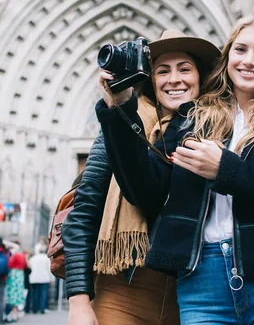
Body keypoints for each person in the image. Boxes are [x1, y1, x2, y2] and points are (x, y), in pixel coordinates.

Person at [97, 14, 254, 324]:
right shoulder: (191, 120)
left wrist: (228, 171)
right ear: (227, 58)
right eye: (241, 50)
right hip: (202, 284)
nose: (249, 60)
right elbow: (145, 191)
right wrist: (121, 106)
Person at [63, 29, 220, 325]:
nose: (174, 79)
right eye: (163, 71)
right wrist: (79, 303)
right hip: (123, 289)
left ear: (201, 77)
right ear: (151, 79)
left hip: (194, 291)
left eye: (184, 69)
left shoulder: (221, 130)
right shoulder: (119, 126)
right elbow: (83, 212)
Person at [5, 241, 28, 322]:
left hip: (14, 273)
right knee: (18, 292)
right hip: (20, 274)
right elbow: (26, 265)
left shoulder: (15, 255)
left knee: (12, 292)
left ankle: (13, 313)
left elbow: (10, 264)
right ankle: (16, 312)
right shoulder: (23, 254)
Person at [28, 246, 53, 314]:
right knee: (43, 294)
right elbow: (49, 269)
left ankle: (35, 309)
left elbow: (29, 267)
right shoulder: (46, 258)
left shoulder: (33, 258)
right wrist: (52, 278)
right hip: (44, 278)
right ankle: (42, 308)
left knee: (35, 294)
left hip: (34, 278)